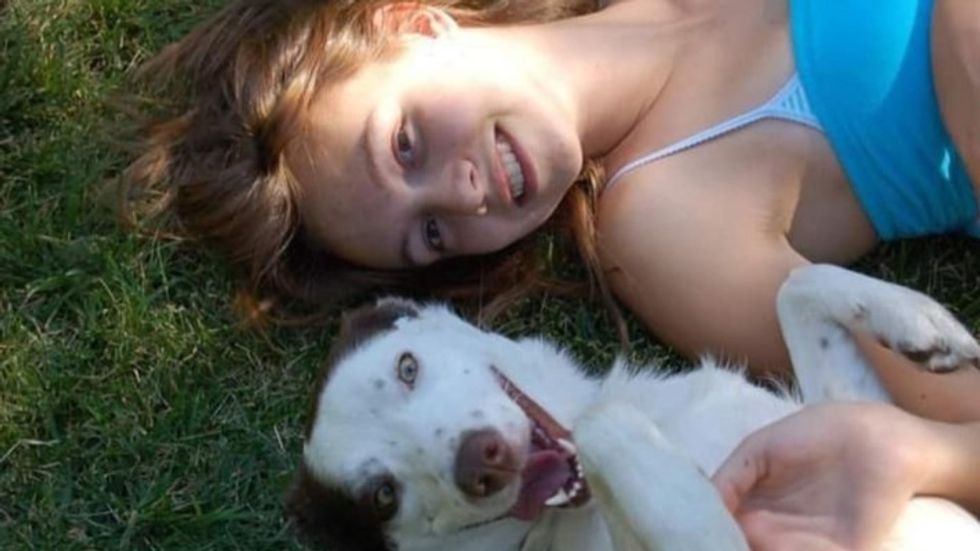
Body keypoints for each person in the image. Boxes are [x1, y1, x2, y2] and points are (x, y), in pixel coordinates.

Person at [123, 0, 980, 547]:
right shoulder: (661, 225)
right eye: (430, 233)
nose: (459, 197)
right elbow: (961, 417)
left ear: (411, 22)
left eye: (406, 142)